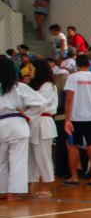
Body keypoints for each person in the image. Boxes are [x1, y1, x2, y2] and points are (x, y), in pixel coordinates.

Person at [0, 58, 45, 201]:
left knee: (1, 161)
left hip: (1, 124)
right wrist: (27, 116)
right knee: (17, 160)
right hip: (17, 123)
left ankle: (2, 191)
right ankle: (13, 194)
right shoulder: (18, 87)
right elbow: (41, 103)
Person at [63, 54, 91, 187]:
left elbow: (69, 98)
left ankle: (74, 177)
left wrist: (67, 119)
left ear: (77, 65)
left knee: (72, 145)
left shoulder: (73, 77)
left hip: (76, 117)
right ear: (89, 64)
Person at [26, 59, 57, 197]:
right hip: (33, 122)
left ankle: (46, 185)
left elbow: (40, 105)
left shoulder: (48, 86)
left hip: (43, 121)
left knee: (43, 155)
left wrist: (24, 115)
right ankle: (29, 183)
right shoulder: (34, 86)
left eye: (32, 68)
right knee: (31, 156)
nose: (29, 71)